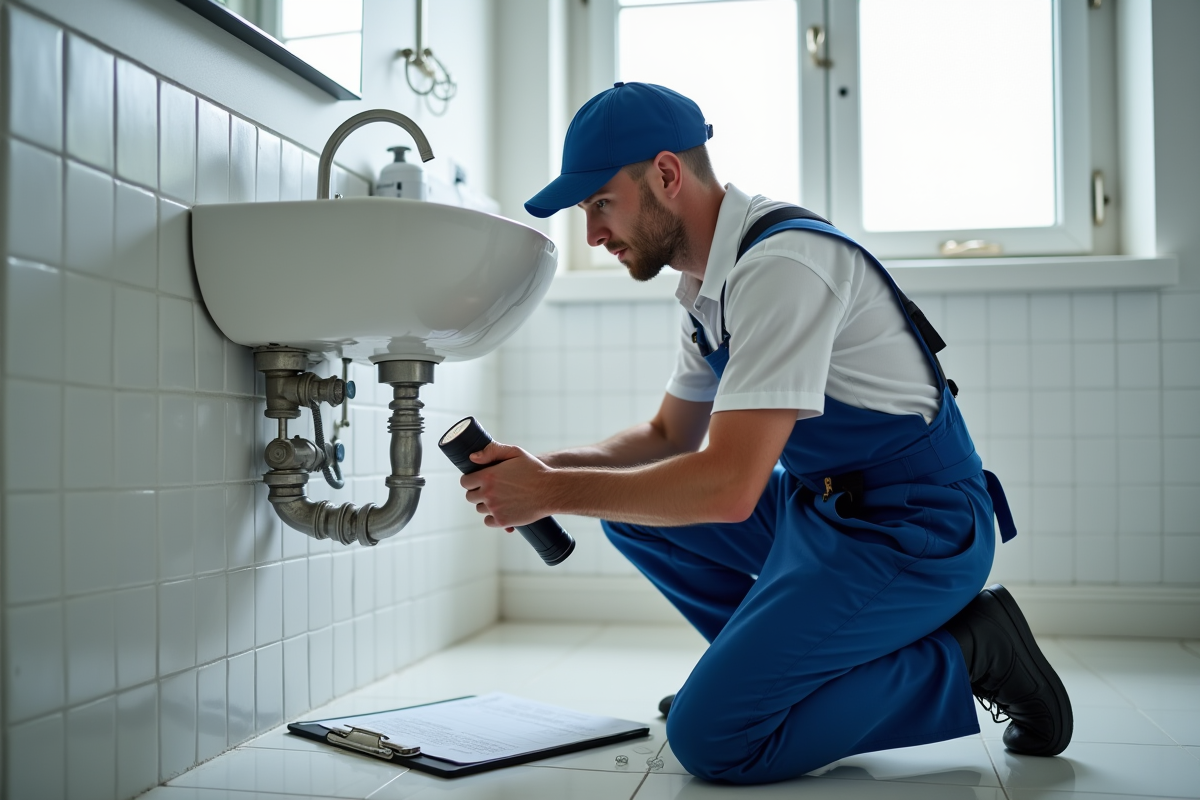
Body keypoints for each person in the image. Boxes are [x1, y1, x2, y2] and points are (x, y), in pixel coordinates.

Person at [459, 82, 1073, 784]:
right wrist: (541, 469)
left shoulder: (781, 267)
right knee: (632, 514)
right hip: (825, 509)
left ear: (666, 174)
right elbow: (668, 435)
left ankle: (972, 652)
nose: (593, 234)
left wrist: (552, 492)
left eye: (601, 203)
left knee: (716, 743)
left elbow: (728, 488)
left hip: (913, 526)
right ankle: (758, 683)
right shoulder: (707, 286)